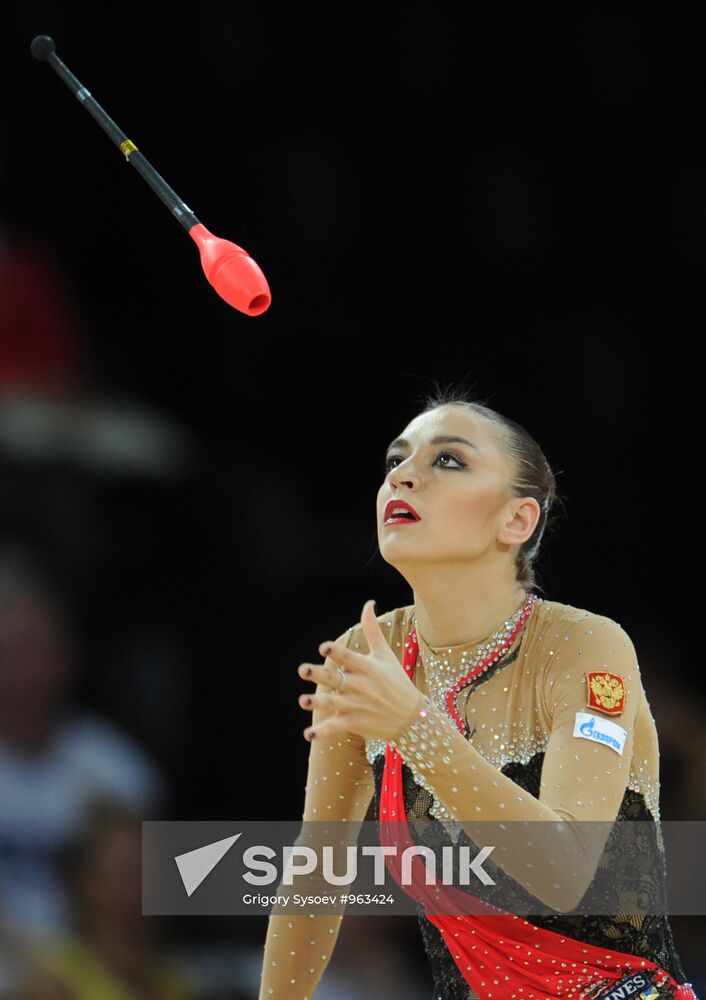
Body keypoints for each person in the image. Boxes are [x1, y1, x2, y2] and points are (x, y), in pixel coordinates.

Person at [257, 389, 697, 1000]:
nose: (404, 476)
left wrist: (414, 725)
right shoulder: (367, 652)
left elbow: (566, 873)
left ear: (517, 520)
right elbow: (317, 873)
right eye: (396, 461)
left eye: (448, 461)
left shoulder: (584, 647)